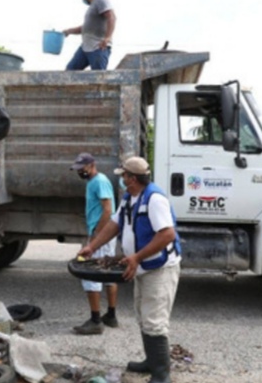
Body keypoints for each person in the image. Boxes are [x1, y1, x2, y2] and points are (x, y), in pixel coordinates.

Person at [77, 156, 181, 383]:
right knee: (143, 317)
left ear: (132, 178)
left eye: (124, 176)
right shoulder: (130, 198)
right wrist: (92, 247)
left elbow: (167, 234)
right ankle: (151, 362)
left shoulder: (154, 199)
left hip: (160, 268)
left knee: (154, 321)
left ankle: (161, 375)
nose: (122, 180)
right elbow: (114, 224)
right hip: (143, 265)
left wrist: (136, 257)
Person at [69, 152, 118, 335]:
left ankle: (95, 320)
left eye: (82, 168)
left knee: (90, 273)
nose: (80, 171)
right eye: (78, 169)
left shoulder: (99, 181)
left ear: (92, 165)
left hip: (102, 234)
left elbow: (108, 209)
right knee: (108, 272)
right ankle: (111, 316)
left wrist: (97, 236)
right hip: (104, 233)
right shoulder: (93, 182)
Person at [63, 0, 116, 71]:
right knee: (70, 71)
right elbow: (85, 28)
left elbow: (112, 17)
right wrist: (69, 31)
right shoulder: (93, 5)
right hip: (85, 48)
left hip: (98, 47)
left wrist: (108, 37)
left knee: (98, 77)